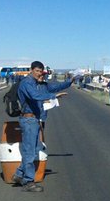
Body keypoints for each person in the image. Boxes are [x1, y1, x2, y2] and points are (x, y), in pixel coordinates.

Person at [13, 61, 69, 192]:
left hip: (34, 119)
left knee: (36, 147)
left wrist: (70, 81)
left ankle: (18, 174)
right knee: (29, 152)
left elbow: (53, 87)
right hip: (28, 119)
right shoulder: (27, 83)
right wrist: (53, 96)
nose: (39, 73)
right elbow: (35, 96)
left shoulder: (36, 83)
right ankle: (28, 182)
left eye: (41, 71)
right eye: (37, 71)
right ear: (32, 70)